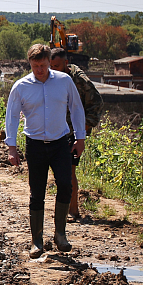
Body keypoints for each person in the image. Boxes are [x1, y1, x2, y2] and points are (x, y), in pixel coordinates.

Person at [5, 44, 86, 259]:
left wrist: (80, 138)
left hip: (61, 142)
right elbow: (12, 116)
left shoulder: (64, 81)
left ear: (50, 62)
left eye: (42, 65)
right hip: (35, 145)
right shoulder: (21, 86)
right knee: (37, 192)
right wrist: (11, 147)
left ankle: (60, 234)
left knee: (66, 184)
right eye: (35, 66)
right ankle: (37, 241)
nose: (39, 70)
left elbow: (76, 108)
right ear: (30, 64)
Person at [49, 48, 103, 220]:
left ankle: (72, 210)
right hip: (56, 130)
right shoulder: (50, 78)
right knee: (60, 172)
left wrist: (84, 129)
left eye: (56, 66)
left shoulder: (78, 80)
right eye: (51, 66)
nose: (52, 69)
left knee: (69, 171)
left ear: (66, 63)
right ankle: (65, 208)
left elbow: (97, 102)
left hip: (73, 130)